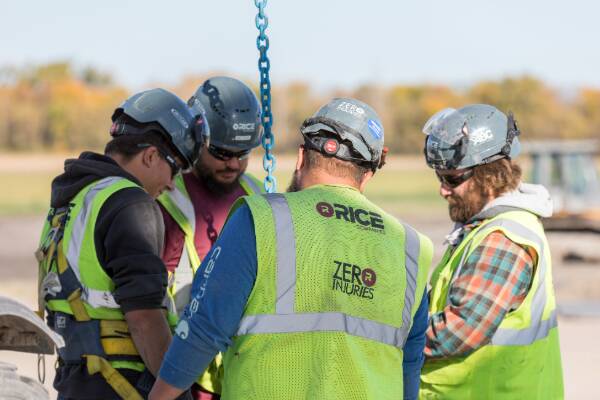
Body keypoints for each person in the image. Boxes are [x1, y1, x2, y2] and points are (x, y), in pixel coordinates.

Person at [149, 97, 433, 400]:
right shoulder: (412, 248)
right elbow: (410, 366)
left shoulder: (260, 219)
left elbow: (204, 329)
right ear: (368, 174)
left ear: (301, 158)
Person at [36, 88, 207, 399]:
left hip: (77, 378)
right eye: (174, 169)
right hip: (118, 383)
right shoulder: (131, 204)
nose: (171, 184)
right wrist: (176, 392)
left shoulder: (73, 199)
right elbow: (144, 318)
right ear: (151, 155)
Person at [419, 104, 564, 399]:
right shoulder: (482, 229)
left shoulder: (503, 237)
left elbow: (458, 331)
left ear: (488, 173)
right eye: (440, 177)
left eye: (452, 178)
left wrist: (384, 337)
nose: (443, 190)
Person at [157, 76, 264, 399]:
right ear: (196, 138)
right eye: (221, 152)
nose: (233, 163)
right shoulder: (168, 197)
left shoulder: (256, 196)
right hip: (186, 377)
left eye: (242, 152)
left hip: (243, 377)